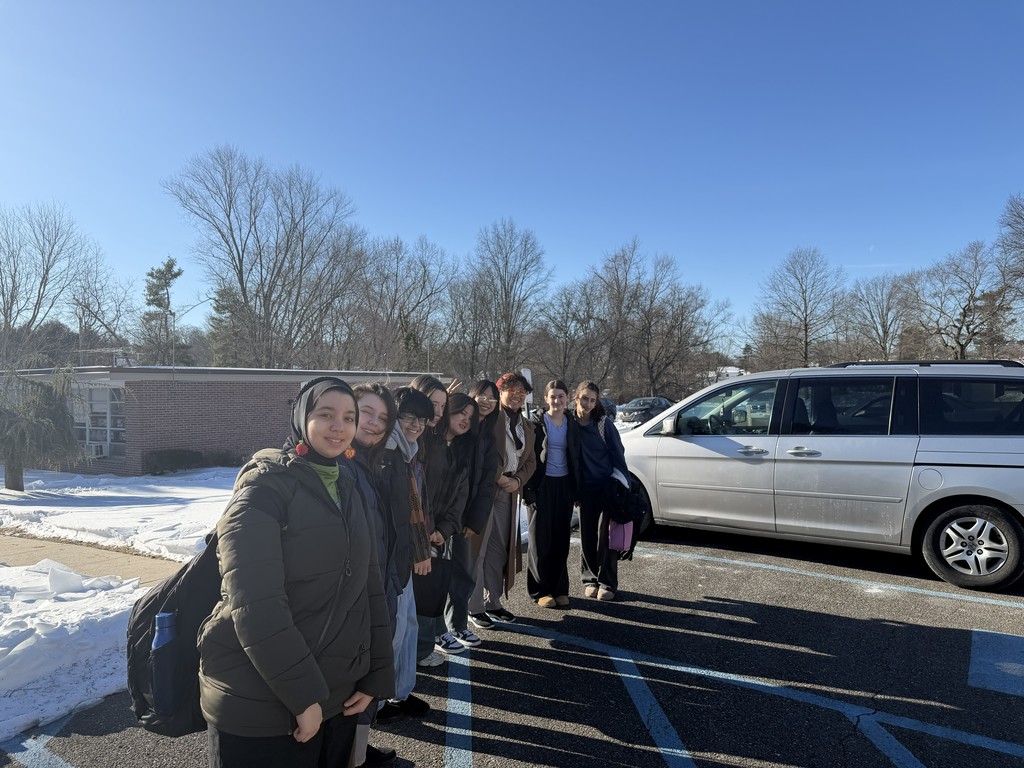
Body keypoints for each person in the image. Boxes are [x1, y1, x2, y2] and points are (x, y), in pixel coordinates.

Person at [198, 376, 393, 768]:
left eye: (348, 417)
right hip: (260, 702)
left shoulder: (349, 482)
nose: (340, 427)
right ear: (302, 417)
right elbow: (255, 603)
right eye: (326, 415)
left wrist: (377, 674)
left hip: (335, 696)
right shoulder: (264, 486)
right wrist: (303, 696)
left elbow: (368, 586)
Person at [376, 387, 438, 715]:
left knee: (407, 624)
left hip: (402, 555)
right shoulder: (386, 454)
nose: (416, 424)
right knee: (395, 630)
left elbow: (413, 506)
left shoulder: (407, 450)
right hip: (389, 559)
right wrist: (419, 550)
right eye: (409, 417)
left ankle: (400, 690)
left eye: (423, 419)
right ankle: (381, 701)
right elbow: (401, 513)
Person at [350, 384, 401, 768]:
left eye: (383, 418)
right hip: (354, 600)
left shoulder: (371, 463)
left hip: (380, 589)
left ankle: (358, 751)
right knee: (352, 684)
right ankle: (352, 756)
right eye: (366, 412)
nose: (375, 423)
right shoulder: (337, 466)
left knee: (366, 683)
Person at [468, 371, 536, 628]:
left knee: (499, 550)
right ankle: (474, 607)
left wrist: (517, 481)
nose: (517, 396)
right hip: (487, 488)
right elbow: (481, 449)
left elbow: (530, 462)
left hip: (510, 490)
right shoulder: (490, 418)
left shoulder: (527, 425)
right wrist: (499, 478)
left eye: (522, 392)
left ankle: (492, 602)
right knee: (479, 549)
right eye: (512, 391)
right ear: (501, 393)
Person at [523, 379, 581, 609]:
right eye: (552, 396)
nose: (557, 400)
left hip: (564, 486)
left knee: (560, 539)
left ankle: (559, 589)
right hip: (541, 485)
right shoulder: (536, 423)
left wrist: (577, 489)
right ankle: (540, 590)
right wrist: (528, 488)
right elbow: (528, 455)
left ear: (568, 399)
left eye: (561, 396)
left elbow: (577, 458)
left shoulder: (572, 424)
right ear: (545, 399)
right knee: (539, 539)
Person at [573, 380, 629, 602]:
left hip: (606, 487)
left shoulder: (603, 424)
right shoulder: (569, 422)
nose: (587, 404)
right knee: (586, 535)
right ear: (576, 397)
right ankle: (589, 579)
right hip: (583, 489)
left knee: (606, 537)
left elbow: (618, 453)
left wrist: (621, 484)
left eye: (592, 400)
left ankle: (607, 581)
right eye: (584, 398)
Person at [438, 393, 483, 651]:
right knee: (435, 579)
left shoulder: (465, 445)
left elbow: (464, 488)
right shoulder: (430, 441)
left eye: (470, 416)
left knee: (462, 573)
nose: (465, 420)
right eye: (460, 413)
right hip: (433, 525)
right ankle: (436, 631)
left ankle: (456, 625)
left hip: (457, 520)